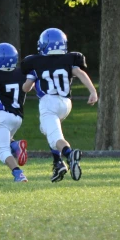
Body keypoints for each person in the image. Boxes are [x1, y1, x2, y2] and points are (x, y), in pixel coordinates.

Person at [21, 28, 98, 182]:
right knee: (49, 131)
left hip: (48, 102)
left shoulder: (36, 62)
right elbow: (81, 74)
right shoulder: (69, 60)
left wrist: (32, 81)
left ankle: (69, 155)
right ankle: (58, 163)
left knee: (55, 136)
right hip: (66, 104)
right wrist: (93, 92)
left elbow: (26, 88)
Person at [0, 43, 30, 183]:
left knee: (2, 151)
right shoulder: (21, 73)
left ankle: (18, 174)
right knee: (7, 139)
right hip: (18, 117)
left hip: (2, 115)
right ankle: (16, 146)